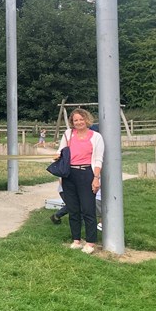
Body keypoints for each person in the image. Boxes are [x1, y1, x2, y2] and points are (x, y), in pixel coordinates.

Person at [55, 108, 104, 255]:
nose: (79, 122)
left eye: (81, 119)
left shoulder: (96, 137)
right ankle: (76, 239)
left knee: (88, 208)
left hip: (86, 173)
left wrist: (96, 178)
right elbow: (61, 151)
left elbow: (98, 159)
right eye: (76, 120)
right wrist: (57, 156)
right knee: (73, 209)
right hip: (69, 174)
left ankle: (90, 242)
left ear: (86, 120)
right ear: (72, 122)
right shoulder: (68, 134)